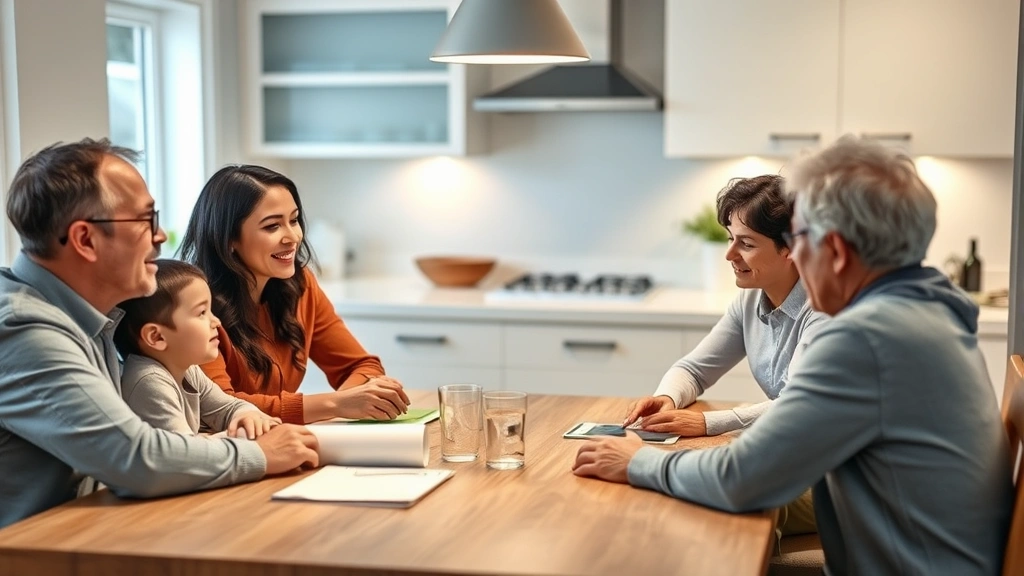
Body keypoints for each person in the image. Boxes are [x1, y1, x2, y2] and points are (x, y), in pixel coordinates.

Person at [572, 136, 1013, 574]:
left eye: (799, 238)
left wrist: (637, 460)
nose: (796, 255)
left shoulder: (866, 339)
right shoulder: (921, 312)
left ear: (835, 251)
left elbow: (744, 478)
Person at [0, 138, 320, 529]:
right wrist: (261, 454)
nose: (160, 237)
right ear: (85, 240)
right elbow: (134, 456)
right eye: (144, 221)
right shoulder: (25, 330)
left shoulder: (88, 318)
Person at [179, 165, 409, 425]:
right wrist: (337, 404)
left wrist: (353, 401)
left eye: (294, 220)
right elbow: (220, 406)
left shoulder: (300, 286)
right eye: (272, 226)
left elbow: (361, 367)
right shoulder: (194, 306)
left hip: (284, 441)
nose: (293, 237)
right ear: (229, 238)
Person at [624, 174, 829, 439]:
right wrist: (667, 397)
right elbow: (694, 370)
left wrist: (707, 423)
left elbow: (799, 405)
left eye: (746, 243)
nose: (729, 254)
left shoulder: (826, 309)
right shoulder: (751, 300)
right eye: (731, 238)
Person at [114, 259, 281, 439]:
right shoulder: (148, 381)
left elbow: (228, 407)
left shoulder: (187, 369)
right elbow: (185, 454)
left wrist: (249, 416)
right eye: (202, 312)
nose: (216, 321)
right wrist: (243, 434)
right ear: (157, 337)